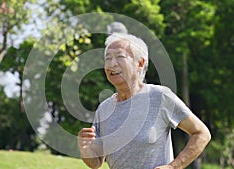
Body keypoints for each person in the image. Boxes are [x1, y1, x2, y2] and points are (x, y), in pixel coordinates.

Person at [77, 33, 211, 169]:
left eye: (120, 57)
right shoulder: (104, 108)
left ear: (140, 63)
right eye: (108, 58)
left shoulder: (160, 97)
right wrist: (85, 149)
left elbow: (201, 133)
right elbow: (96, 162)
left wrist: (174, 166)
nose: (112, 64)